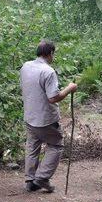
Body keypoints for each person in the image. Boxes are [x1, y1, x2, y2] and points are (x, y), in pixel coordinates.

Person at [20, 40, 78, 193]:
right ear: (50, 53)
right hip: (46, 119)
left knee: (32, 146)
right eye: (53, 54)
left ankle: (30, 180)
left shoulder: (26, 66)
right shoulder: (48, 71)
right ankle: (42, 177)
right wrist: (69, 88)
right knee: (56, 145)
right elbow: (53, 98)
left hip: (30, 116)